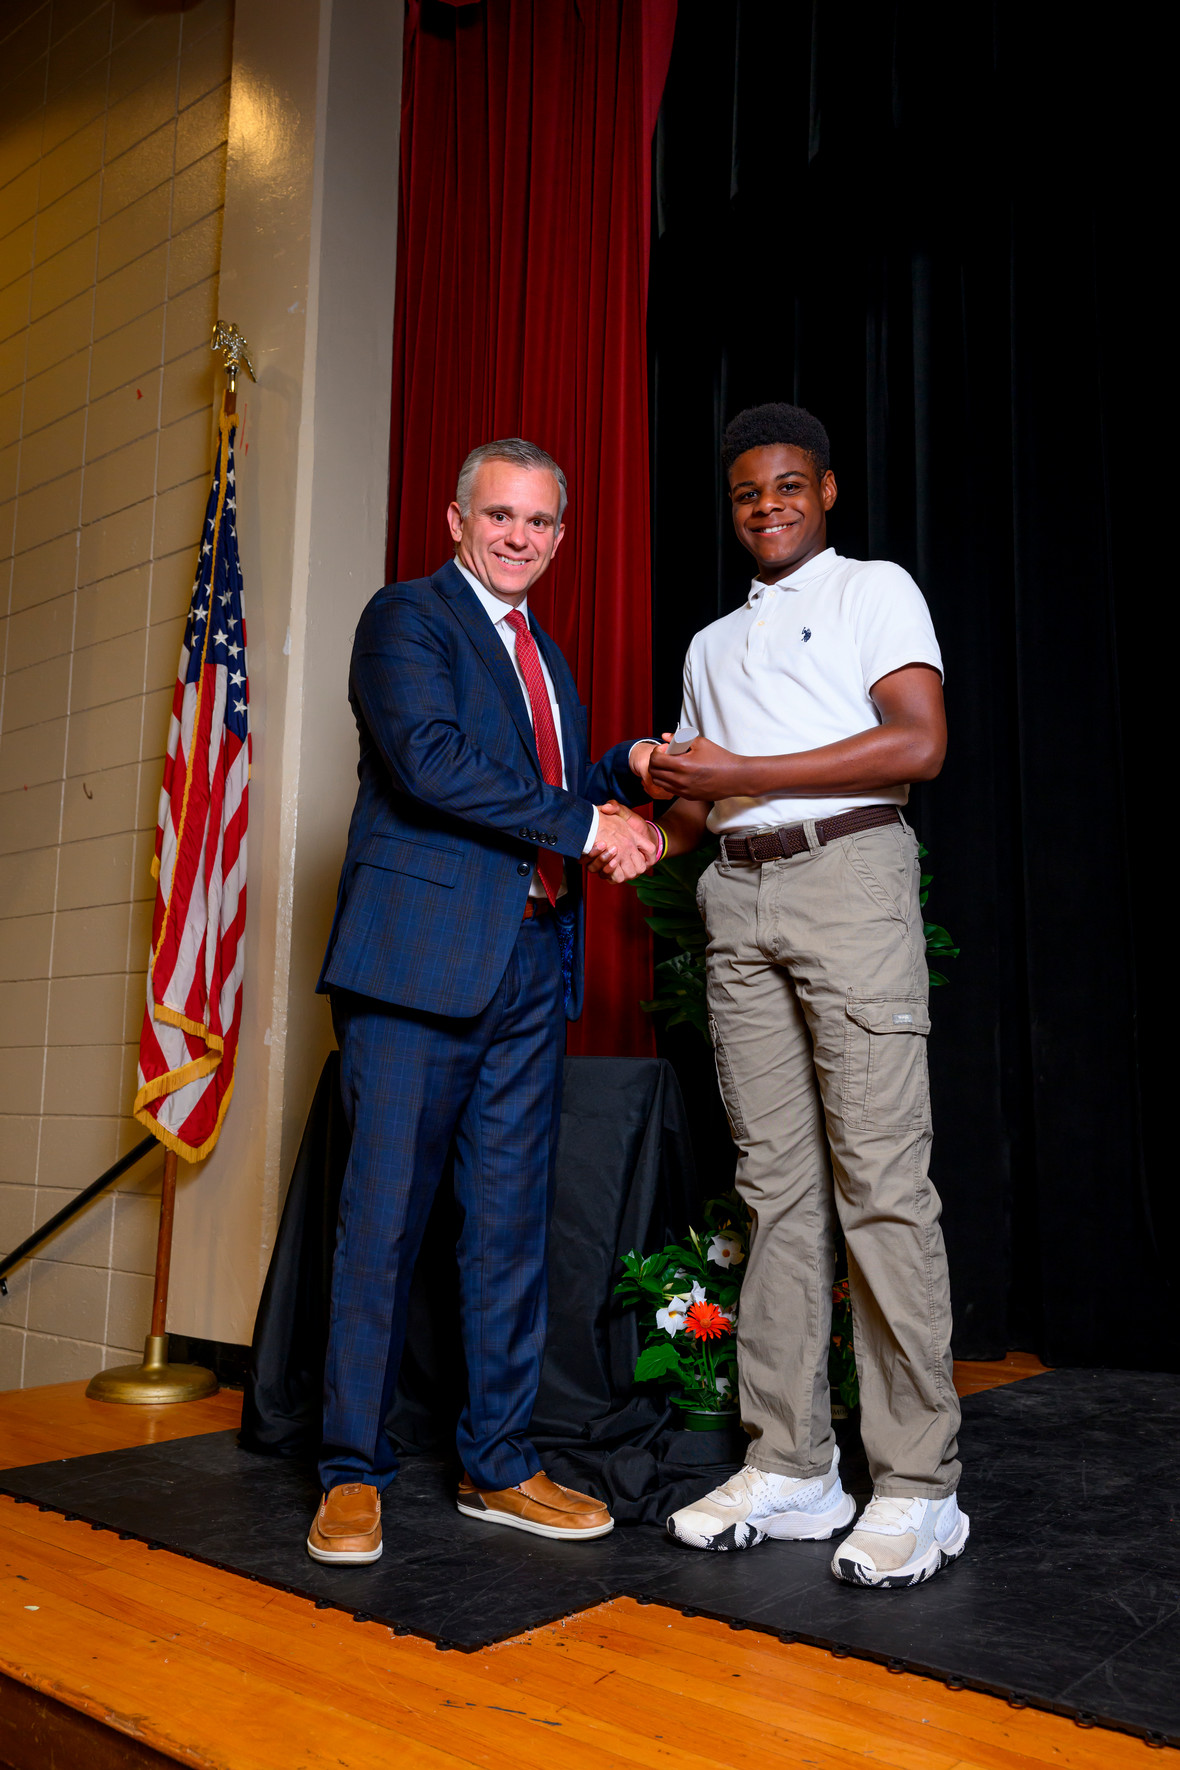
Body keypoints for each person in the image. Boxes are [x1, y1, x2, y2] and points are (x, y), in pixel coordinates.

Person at [307, 438, 659, 1564]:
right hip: (415, 967)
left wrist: (624, 772)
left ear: (560, 535)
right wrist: (586, 825)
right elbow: (430, 761)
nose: (519, 536)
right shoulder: (404, 619)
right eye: (499, 515)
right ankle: (350, 1472)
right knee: (380, 1227)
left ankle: (498, 1462)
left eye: (541, 522)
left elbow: (537, 797)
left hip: (524, 968)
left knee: (507, 1233)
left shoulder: (544, 657)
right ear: (457, 519)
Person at [646, 402, 967, 1588]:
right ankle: (791, 1467)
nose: (766, 505)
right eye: (745, 493)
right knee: (775, 1192)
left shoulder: (873, 588)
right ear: (730, 508)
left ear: (823, 491)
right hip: (737, 897)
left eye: (787, 485)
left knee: (881, 1181)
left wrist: (737, 774)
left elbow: (916, 744)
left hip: (848, 875)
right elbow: (692, 803)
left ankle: (918, 1486)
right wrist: (629, 825)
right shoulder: (711, 644)